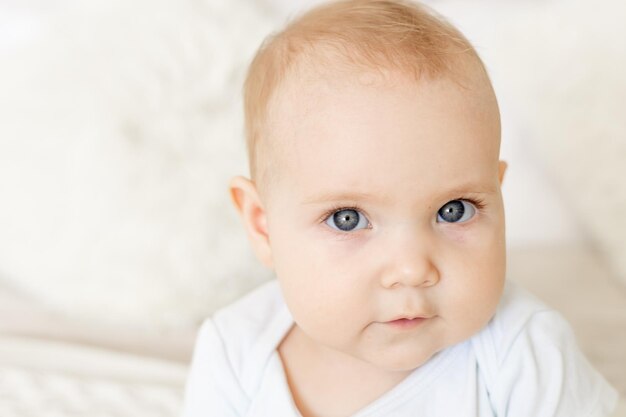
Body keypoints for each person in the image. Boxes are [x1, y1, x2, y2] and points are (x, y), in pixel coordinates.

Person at [181, 0, 619, 415]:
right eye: (347, 219)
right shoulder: (235, 353)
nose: (412, 269)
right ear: (263, 227)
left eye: (454, 210)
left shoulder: (524, 356)